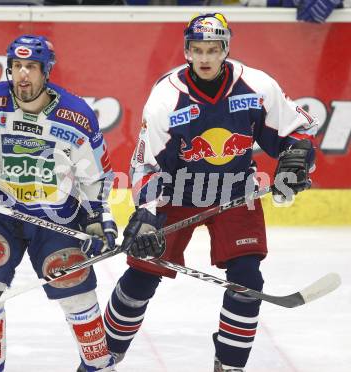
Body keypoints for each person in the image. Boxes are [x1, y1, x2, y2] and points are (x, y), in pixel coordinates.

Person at [102, 13, 317, 372]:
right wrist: (147, 217)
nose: (204, 58)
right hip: (176, 191)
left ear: (225, 49)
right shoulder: (166, 98)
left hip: (235, 191)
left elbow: (295, 131)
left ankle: (229, 364)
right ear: (187, 50)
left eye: (213, 50)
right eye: (197, 49)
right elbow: (146, 163)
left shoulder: (256, 86)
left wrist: (295, 161)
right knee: (142, 273)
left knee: (247, 279)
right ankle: (103, 353)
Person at [0, 34, 118, 372]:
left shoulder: (76, 116)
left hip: (57, 216)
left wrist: (98, 218)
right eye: (16, 66)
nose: (22, 75)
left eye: (30, 67)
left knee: (76, 295)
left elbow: (97, 178)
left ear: (46, 71)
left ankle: (99, 367)